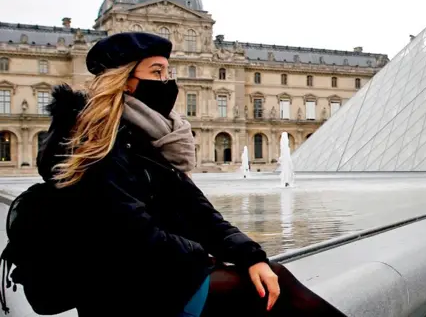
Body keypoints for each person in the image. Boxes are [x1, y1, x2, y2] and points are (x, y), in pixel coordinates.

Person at [36, 32, 346, 317]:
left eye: (168, 72)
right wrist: (205, 259)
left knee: (270, 277)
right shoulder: (95, 143)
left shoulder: (149, 135)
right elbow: (132, 235)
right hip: (124, 293)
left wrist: (250, 255)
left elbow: (196, 209)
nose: (168, 82)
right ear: (124, 80)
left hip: (158, 278)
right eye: (157, 72)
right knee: (274, 289)